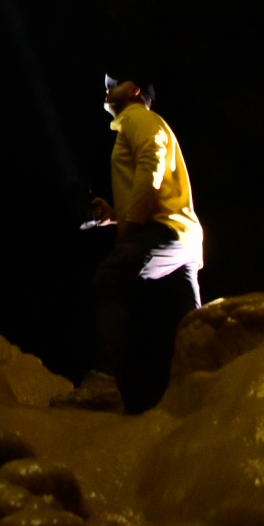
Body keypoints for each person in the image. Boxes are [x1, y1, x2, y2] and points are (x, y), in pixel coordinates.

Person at [62, 74, 204, 413]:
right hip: (182, 237)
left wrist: (129, 228)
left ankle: (105, 384)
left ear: (136, 91)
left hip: (162, 231)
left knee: (110, 277)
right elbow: (152, 179)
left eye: (116, 82)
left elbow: (151, 165)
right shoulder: (141, 123)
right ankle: (215, 385)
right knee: (192, 325)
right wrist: (115, 215)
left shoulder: (138, 118)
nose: (107, 86)